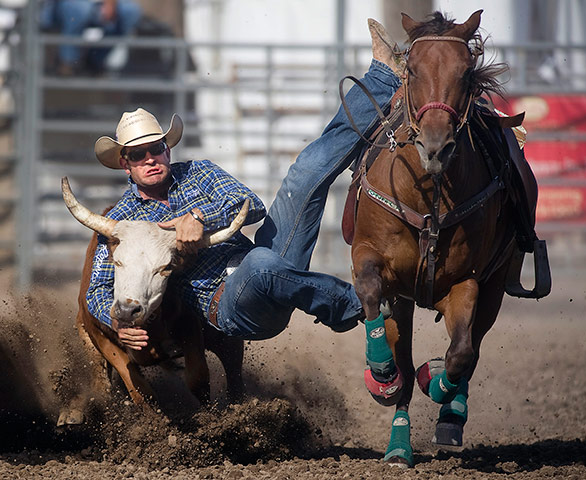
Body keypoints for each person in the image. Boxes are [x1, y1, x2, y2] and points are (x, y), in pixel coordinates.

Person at [87, 21, 404, 353]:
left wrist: (198, 216)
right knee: (259, 267)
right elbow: (97, 290)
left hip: (263, 258)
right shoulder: (122, 220)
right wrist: (116, 323)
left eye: (156, 148)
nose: (150, 158)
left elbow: (251, 205)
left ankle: (383, 79)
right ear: (125, 163)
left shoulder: (197, 171)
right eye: (138, 154)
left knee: (305, 170)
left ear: (168, 149)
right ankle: (358, 304)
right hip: (231, 306)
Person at [40, 0, 142, 75]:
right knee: (80, 10)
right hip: (67, 5)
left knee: (130, 11)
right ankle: (67, 63)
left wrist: (110, 4)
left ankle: (95, 62)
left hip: (100, 5)